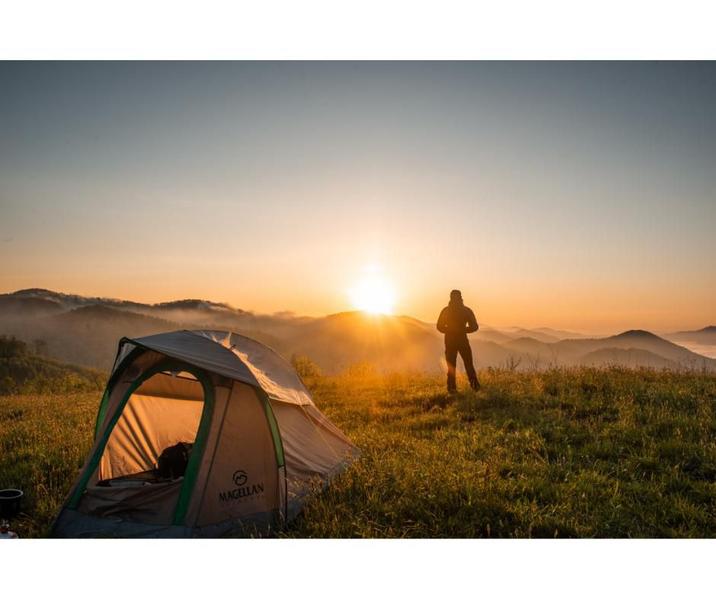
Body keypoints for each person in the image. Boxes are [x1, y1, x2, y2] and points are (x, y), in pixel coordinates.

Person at [437, 289, 480, 393]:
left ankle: (452, 389)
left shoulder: (446, 311)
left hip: (450, 341)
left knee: (451, 367)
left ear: (450, 297)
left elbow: (439, 327)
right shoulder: (466, 310)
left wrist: (450, 330)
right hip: (463, 341)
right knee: (468, 364)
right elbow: (474, 327)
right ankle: (475, 387)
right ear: (461, 297)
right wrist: (463, 330)